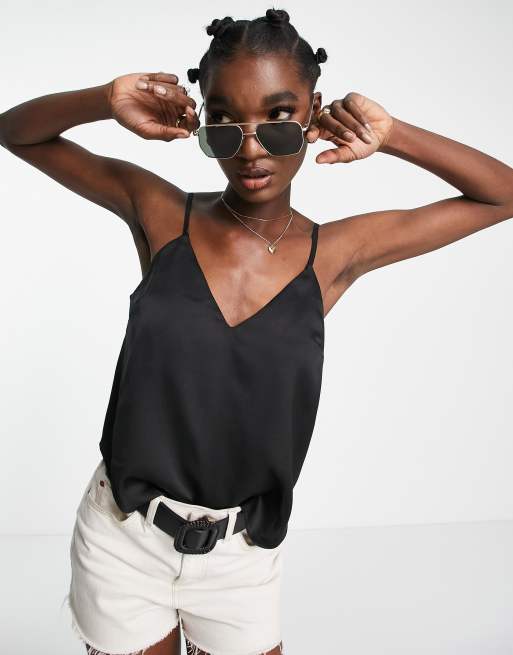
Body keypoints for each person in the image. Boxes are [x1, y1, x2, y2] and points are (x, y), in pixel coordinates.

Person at [2, 7, 512, 655]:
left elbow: (502, 194)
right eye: (223, 123)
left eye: (277, 119)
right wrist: (105, 100)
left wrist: (391, 134)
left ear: (312, 113)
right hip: (123, 538)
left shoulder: (333, 254)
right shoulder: (161, 216)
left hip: (241, 554)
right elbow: (17, 133)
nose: (249, 149)